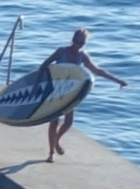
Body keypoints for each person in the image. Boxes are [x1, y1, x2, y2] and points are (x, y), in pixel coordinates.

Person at [40, 24, 121, 160]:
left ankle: (56, 141)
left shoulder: (82, 56)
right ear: (72, 39)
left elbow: (97, 71)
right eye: (77, 41)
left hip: (71, 92)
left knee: (68, 122)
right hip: (55, 89)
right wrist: (38, 84)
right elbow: (45, 65)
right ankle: (51, 153)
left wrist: (117, 80)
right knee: (54, 121)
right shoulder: (61, 52)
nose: (78, 45)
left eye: (82, 43)